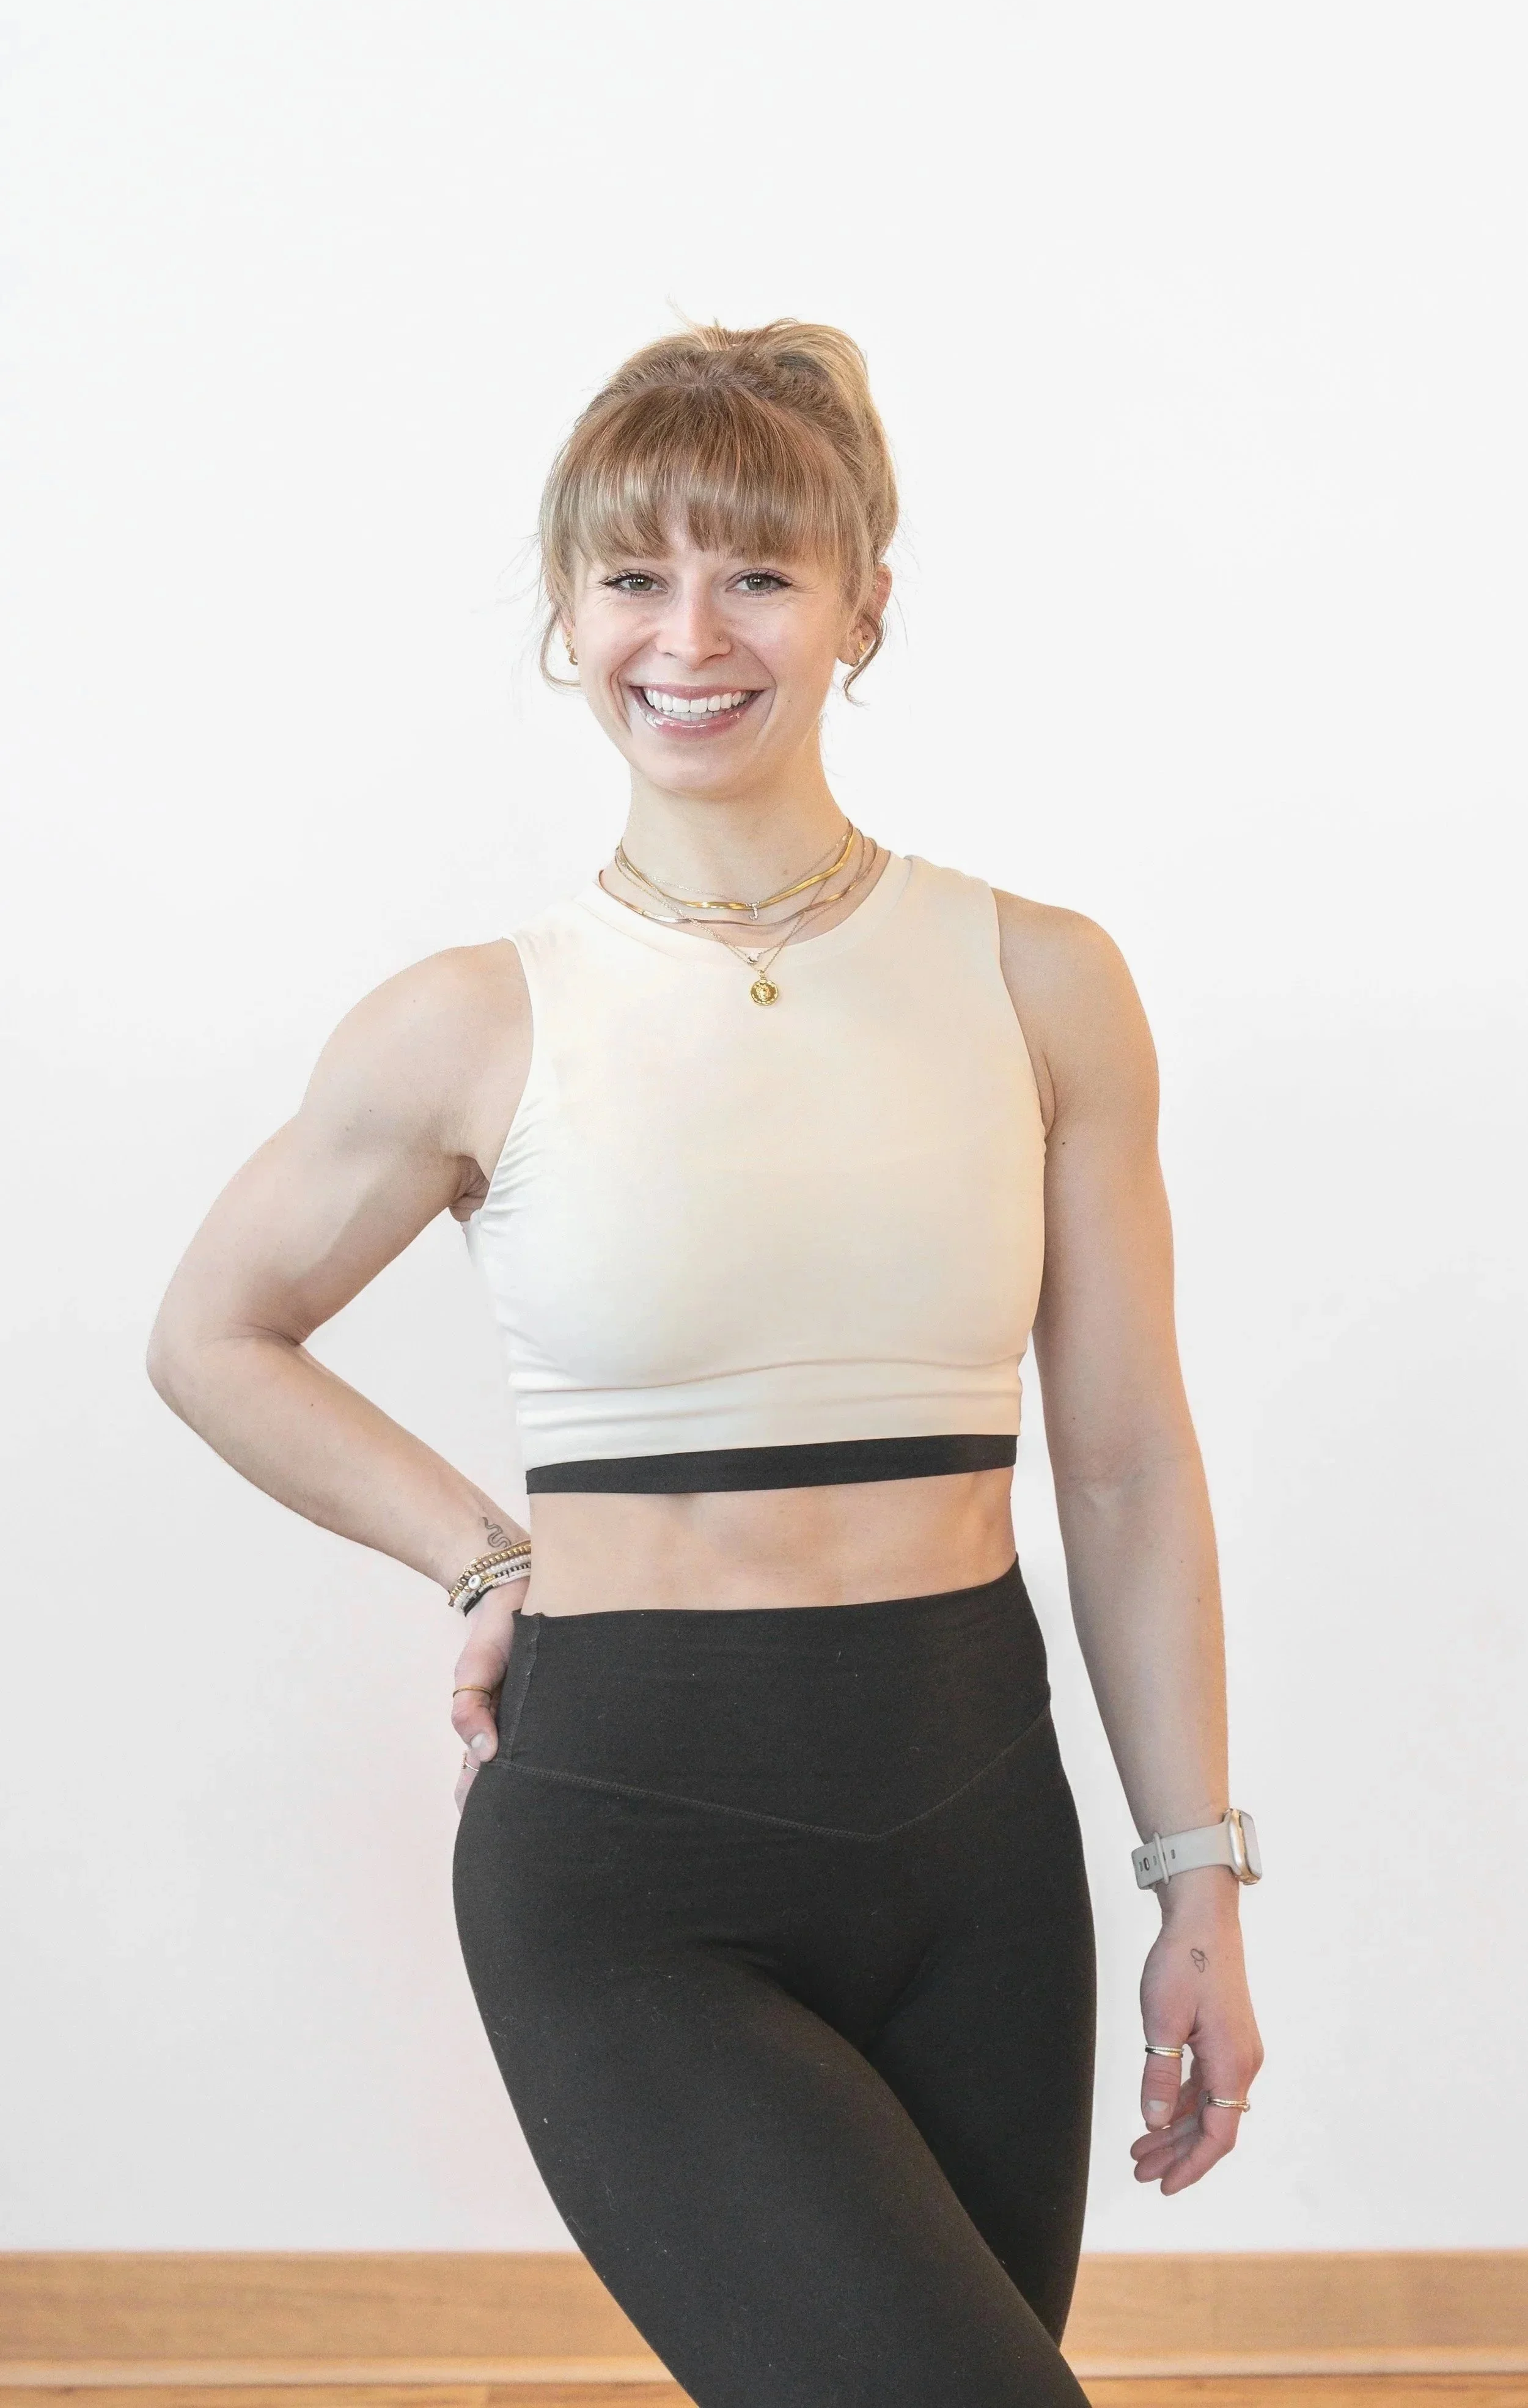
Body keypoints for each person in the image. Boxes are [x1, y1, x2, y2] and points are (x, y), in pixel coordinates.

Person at [148, 318, 1263, 2408]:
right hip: (628, 1861)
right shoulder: (472, 1022)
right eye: (631, 576)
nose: (689, 636)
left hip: (978, 1849)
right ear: (565, 615)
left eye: (757, 571)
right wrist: (482, 1557)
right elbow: (214, 1336)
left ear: (862, 605)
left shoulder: (1038, 982)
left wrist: (1193, 1874)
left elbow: (1122, 1466)